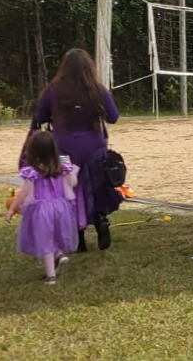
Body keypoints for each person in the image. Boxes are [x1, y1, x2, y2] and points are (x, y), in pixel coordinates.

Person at [31, 48, 122, 252]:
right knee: (97, 185)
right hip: (94, 147)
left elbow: (39, 116)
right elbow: (113, 117)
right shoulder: (97, 90)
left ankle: (77, 237)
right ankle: (100, 219)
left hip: (64, 150)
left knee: (69, 190)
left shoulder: (53, 90)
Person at [7, 129, 80, 284]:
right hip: (61, 207)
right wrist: (69, 168)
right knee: (57, 234)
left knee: (45, 241)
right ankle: (60, 254)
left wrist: (12, 208)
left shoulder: (32, 170)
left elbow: (23, 193)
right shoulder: (62, 165)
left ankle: (51, 277)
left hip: (41, 210)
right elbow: (73, 183)